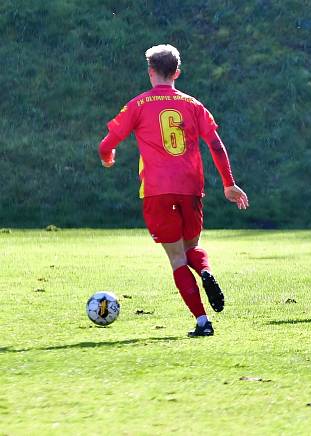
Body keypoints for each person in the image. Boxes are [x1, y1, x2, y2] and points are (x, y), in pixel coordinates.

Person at [97, 44, 249, 336]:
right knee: (192, 248)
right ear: (177, 72)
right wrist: (229, 184)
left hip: (157, 191)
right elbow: (216, 145)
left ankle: (203, 321)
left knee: (177, 257)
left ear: (150, 72)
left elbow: (106, 145)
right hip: (191, 188)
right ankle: (205, 270)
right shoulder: (193, 105)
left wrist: (108, 159)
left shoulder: (138, 105)